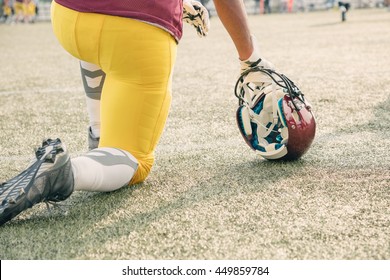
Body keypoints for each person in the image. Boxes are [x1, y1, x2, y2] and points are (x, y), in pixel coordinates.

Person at [0, 0, 273, 225]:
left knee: (97, 32)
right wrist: (251, 58)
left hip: (67, 16)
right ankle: (65, 173)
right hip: (134, 28)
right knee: (136, 160)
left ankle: (99, 131)